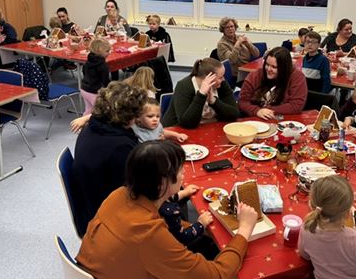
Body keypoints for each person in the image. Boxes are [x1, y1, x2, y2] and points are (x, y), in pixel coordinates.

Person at [76, 140, 259, 279]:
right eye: (180, 170)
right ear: (162, 182)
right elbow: (217, 274)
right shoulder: (148, 234)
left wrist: (203, 230)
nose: (183, 174)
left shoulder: (120, 194)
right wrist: (244, 230)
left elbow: (163, 227)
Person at [70, 82, 147, 236]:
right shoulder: (119, 146)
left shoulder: (92, 127)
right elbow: (137, 189)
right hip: (106, 219)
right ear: (127, 117)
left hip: (91, 203)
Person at [298, 175, 356, 279]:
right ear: (348, 214)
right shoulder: (355, 238)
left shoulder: (307, 228)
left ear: (312, 205)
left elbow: (304, 255)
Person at [162, 57, 239, 128]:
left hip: (209, 128)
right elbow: (187, 124)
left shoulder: (221, 84)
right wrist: (201, 95)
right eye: (220, 77)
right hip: (179, 131)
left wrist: (213, 101)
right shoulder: (183, 86)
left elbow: (234, 114)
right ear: (208, 77)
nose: (223, 79)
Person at [239, 46, 307, 119]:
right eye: (267, 64)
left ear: (284, 68)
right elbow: (243, 102)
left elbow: (296, 106)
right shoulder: (254, 76)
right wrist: (257, 111)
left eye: (274, 67)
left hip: (282, 119)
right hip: (254, 118)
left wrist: (268, 110)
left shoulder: (297, 77)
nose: (268, 69)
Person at [216, 17, 260, 83]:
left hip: (247, 71)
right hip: (236, 75)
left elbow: (257, 54)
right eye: (227, 27)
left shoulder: (240, 37)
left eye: (232, 26)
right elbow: (231, 60)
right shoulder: (221, 44)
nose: (230, 29)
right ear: (223, 30)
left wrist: (248, 44)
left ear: (235, 27)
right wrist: (237, 44)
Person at [80, 38, 111, 115]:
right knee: (100, 112)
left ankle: (83, 124)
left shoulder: (88, 61)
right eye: (107, 51)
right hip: (94, 92)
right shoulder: (103, 66)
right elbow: (105, 81)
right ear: (99, 51)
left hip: (84, 89)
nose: (109, 53)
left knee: (88, 110)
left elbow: (84, 72)